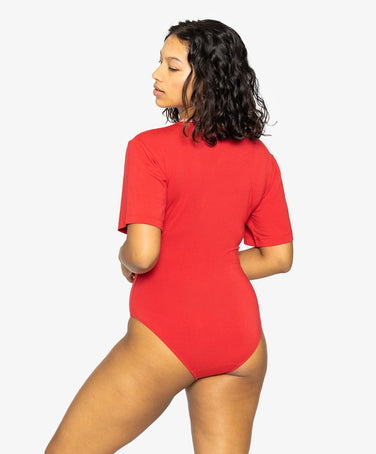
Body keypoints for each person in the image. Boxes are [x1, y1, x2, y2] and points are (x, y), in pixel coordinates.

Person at [45, 18, 294, 454]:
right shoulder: (261, 158)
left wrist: (124, 258)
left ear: (208, 78)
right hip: (240, 339)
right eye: (160, 62)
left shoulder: (149, 149)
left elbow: (143, 254)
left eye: (173, 67)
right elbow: (277, 257)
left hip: (167, 333)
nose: (156, 74)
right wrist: (211, 264)